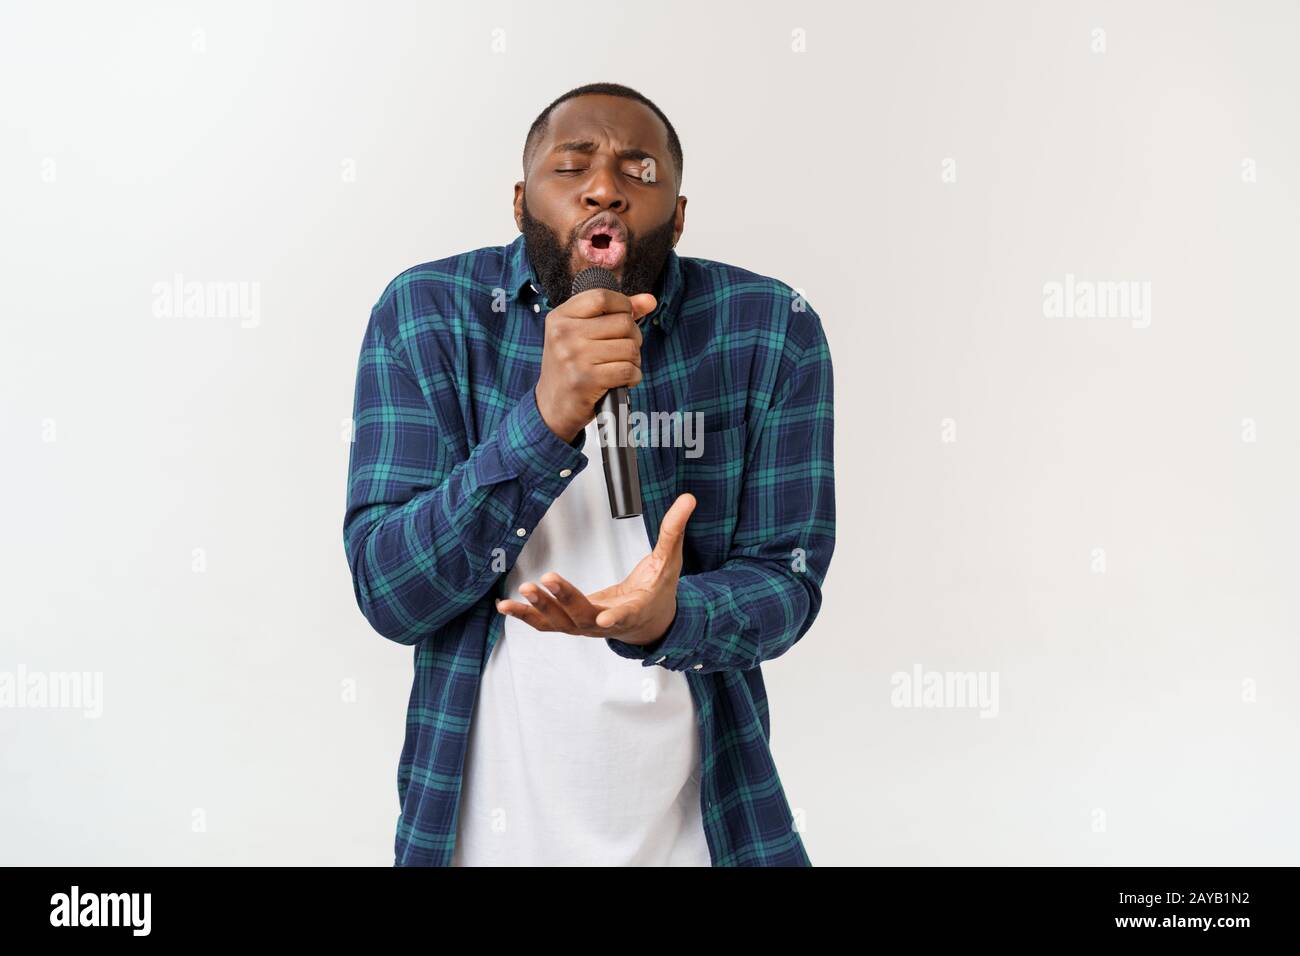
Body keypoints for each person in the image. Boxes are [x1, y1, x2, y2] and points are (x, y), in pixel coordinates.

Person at [342, 82, 836, 866]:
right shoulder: (427, 314)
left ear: (677, 216)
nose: (604, 187)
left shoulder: (771, 328)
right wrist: (546, 417)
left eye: (640, 172)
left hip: (704, 835)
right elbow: (391, 592)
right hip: (480, 838)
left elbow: (788, 583)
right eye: (572, 167)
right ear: (519, 201)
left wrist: (667, 618)